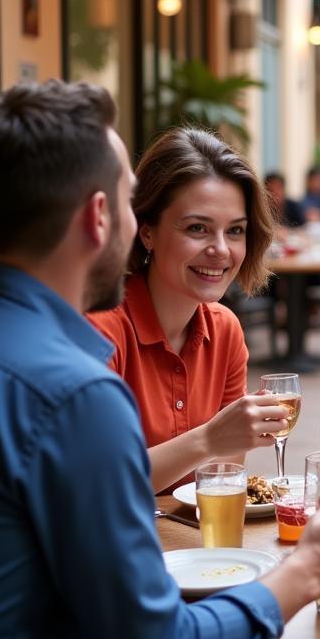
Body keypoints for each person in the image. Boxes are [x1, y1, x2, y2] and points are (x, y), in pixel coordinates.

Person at [0, 81, 320, 639]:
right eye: (131, 199)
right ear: (105, 219)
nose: (219, 249)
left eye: (234, 231)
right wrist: (310, 569)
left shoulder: (35, 354)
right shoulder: (74, 385)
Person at [88, 127, 287, 495]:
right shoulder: (101, 331)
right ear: (147, 232)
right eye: (198, 228)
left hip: (195, 544)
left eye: (235, 231)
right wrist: (209, 439)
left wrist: (220, 443)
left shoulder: (225, 330)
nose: (221, 250)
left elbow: (223, 480)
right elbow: (98, 483)